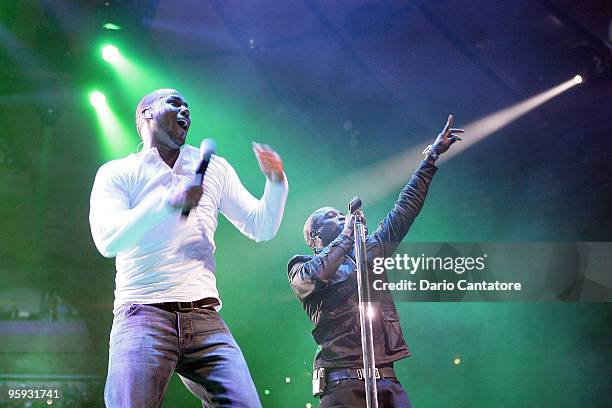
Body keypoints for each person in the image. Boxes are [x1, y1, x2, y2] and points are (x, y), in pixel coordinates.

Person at [89, 88, 288, 407]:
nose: (185, 111)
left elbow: (260, 226)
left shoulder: (213, 168)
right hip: (143, 313)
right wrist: (168, 203)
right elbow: (107, 239)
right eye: (174, 103)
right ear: (146, 115)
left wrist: (276, 183)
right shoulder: (118, 173)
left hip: (204, 316)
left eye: (188, 107)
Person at [288, 115, 463, 407]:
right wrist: (346, 237)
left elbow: (404, 209)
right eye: (331, 216)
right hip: (342, 385)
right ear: (315, 237)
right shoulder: (301, 266)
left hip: (386, 380)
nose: (342, 217)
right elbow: (315, 277)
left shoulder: (369, 250)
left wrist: (430, 158)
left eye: (341, 214)